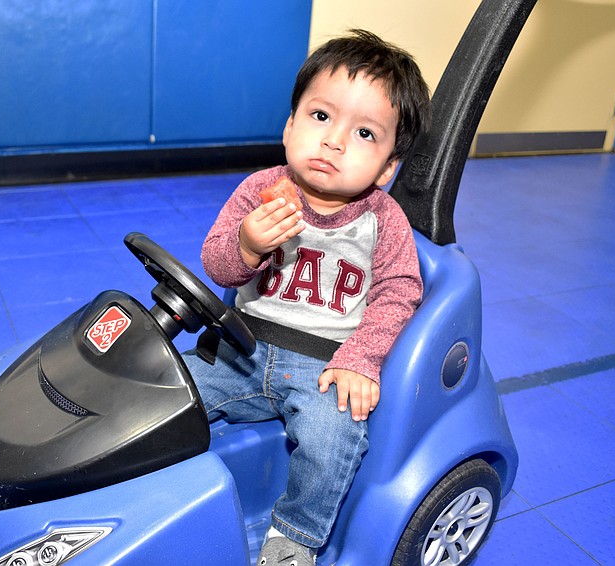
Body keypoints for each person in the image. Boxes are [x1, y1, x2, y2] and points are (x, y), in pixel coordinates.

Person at [183, 29, 431, 566]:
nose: (334, 141)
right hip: (240, 349)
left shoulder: (384, 221)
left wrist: (361, 358)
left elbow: (399, 292)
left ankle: (294, 539)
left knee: (332, 438)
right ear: (289, 125)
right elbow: (216, 265)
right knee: (167, 389)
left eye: (364, 132)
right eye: (321, 116)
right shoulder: (258, 190)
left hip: (326, 368)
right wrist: (247, 245)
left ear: (388, 167)